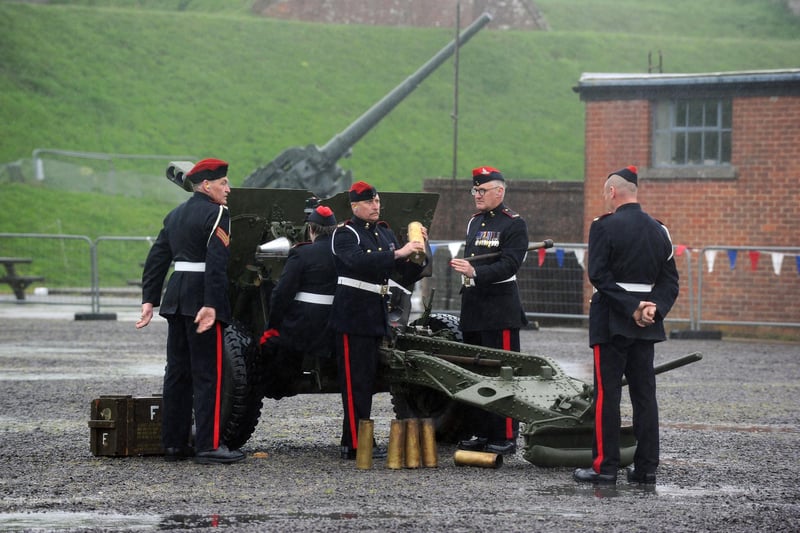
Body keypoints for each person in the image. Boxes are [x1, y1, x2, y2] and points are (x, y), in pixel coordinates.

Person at [573, 165, 679, 485]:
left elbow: (600, 276)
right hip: (646, 324)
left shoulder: (603, 227)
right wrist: (652, 309)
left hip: (611, 321)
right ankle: (646, 468)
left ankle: (605, 467)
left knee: (607, 396)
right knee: (645, 396)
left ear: (612, 192)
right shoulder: (660, 230)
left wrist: (631, 308)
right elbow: (669, 282)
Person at [136, 158, 245, 465]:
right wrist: (211, 304)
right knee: (209, 374)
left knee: (177, 374)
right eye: (223, 183)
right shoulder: (218, 213)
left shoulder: (176, 214)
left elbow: (157, 257)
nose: (228, 189)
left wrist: (149, 299)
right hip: (201, 299)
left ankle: (173, 443)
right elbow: (217, 263)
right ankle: (208, 445)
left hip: (177, 296)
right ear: (207, 185)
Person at [330, 181, 427, 460]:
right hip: (352, 315)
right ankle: (354, 442)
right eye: (370, 202)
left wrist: (420, 250)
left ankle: (362, 439)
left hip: (374, 313)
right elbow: (357, 262)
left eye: (377, 201)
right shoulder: (345, 234)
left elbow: (402, 272)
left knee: (368, 382)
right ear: (355, 206)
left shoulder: (383, 234)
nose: (375, 206)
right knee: (354, 383)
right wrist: (399, 252)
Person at [449, 166, 529, 456]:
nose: (477, 195)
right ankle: (480, 430)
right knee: (476, 373)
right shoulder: (474, 223)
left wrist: (475, 272)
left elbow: (510, 264)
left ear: (500, 191)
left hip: (499, 308)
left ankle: (505, 434)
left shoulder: (514, 224)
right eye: (475, 190)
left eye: (482, 190)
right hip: (474, 306)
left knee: (502, 373)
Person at [260, 204, 339, 398]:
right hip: (336, 322)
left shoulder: (302, 253)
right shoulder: (346, 253)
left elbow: (281, 293)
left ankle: (280, 387)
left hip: (305, 325)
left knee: (277, 346)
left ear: (311, 230)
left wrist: (272, 327)